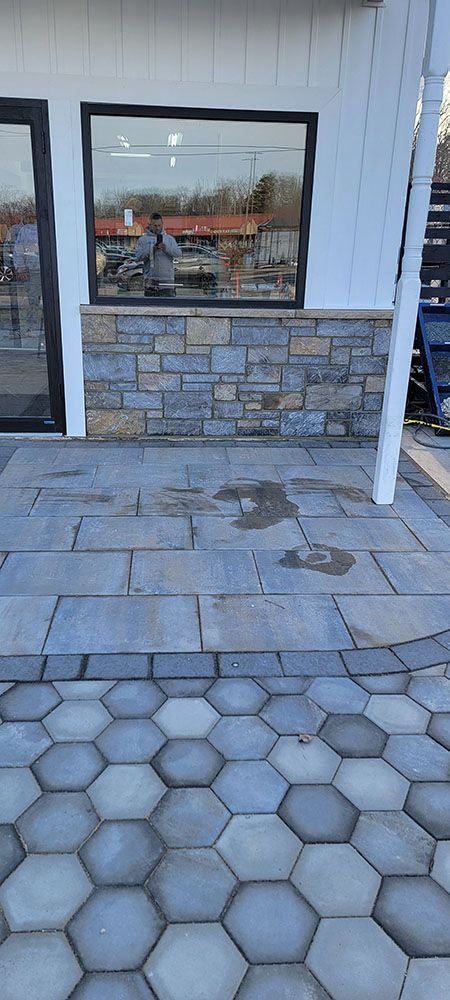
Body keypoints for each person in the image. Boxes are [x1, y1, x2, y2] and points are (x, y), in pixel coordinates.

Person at [134, 212, 181, 297]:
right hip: (150, 282)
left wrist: (166, 248)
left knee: (169, 309)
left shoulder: (169, 239)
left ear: (162, 224)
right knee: (151, 309)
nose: (157, 228)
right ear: (150, 225)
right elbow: (138, 257)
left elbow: (178, 254)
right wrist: (152, 250)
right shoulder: (143, 240)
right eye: (155, 225)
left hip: (167, 282)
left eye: (159, 225)